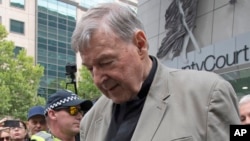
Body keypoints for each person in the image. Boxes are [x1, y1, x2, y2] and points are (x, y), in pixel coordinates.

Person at [71, 2, 241, 141]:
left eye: (106, 62)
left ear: (140, 44)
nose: (98, 79)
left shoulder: (209, 94)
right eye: (90, 68)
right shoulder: (90, 120)